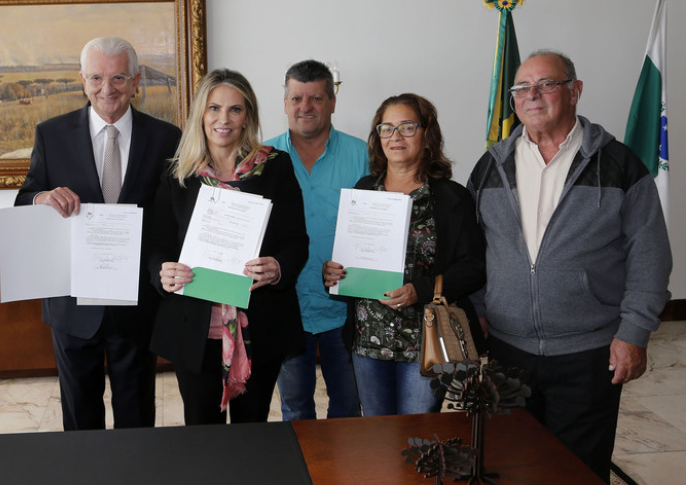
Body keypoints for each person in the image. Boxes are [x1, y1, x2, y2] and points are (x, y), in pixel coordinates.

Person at [466, 50, 671, 482]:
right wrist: (478, 308)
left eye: (547, 84)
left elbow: (649, 256)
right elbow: (474, 247)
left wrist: (633, 333)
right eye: (522, 87)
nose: (532, 95)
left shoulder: (618, 165)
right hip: (507, 351)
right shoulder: (491, 165)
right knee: (511, 467)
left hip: (589, 353)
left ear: (574, 91)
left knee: (578, 471)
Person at [15, 37, 181, 430]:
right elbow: (24, 199)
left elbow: (175, 216)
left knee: (136, 413)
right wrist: (43, 198)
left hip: (137, 302)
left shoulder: (166, 138)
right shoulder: (51, 134)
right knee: (80, 416)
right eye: (96, 77)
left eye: (119, 77)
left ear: (136, 80)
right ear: (83, 80)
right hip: (72, 303)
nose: (107, 89)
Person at [149, 68, 308, 425]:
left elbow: (297, 241)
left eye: (236, 109)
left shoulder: (275, 167)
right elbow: (156, 245)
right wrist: (163, 272)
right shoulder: (177, 174)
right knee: (202, 438)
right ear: (200, 115)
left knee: (252, 435)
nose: (224, 119)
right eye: (214, 108)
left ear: (247, 116)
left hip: (259, 329)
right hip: (194, 331)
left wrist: (279, 267)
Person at [323, 93, 485, 416]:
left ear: (428, 136)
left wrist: (421, 290)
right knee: (378, 438)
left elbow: (475, 268)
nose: (395, 137)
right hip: (368, 341)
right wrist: (332, 274)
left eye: (407, 127)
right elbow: (350, 262)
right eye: (386, 128)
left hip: (425, 344)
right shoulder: (364, 190)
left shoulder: (453, 198)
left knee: (416, 438)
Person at [264, 60, 365, 421]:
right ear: (285, 102)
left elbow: (379, 228)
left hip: (346, 310)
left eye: (316, 98)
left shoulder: (364, 155)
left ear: (333, 101)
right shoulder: (260, 158)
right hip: (285, 307)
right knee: (295, 408)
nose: (305, 107)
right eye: (296, 98)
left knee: (349, 407)